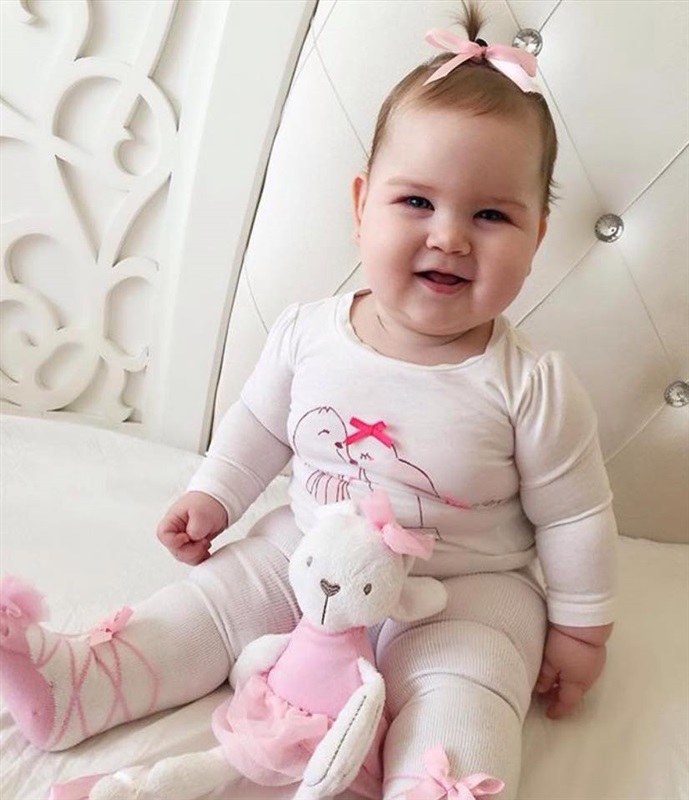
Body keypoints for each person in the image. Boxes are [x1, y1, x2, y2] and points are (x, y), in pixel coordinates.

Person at [0, 5, 617, 798]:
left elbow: (574, 516)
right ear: (361, 205)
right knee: (216, 603)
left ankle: (437, 782)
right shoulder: (309, 333)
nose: (449, 237)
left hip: (464, 590)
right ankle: (83, 685)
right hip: (311, 549)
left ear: (535, 238)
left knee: (468, 684)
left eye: (491, 215)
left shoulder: (531, 385)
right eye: (416, 202)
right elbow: (259, 425)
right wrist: (216, 494)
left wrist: (580, 632)